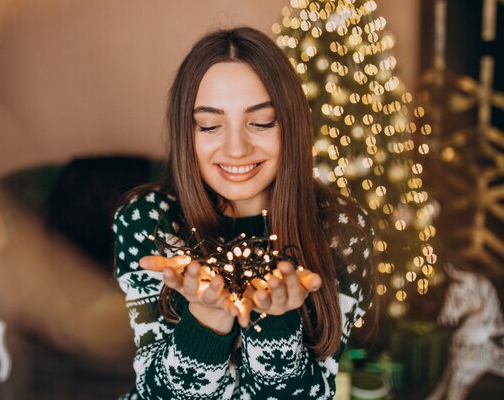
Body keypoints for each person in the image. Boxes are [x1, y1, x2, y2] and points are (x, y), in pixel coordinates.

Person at [113, 26, 374, 399]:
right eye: (210, 125)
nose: (236, 148)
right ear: (187, 132)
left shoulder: (342, 229)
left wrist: (276, 324)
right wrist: (206, 320)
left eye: (262, 122)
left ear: (292, 125)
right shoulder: (147, 222)